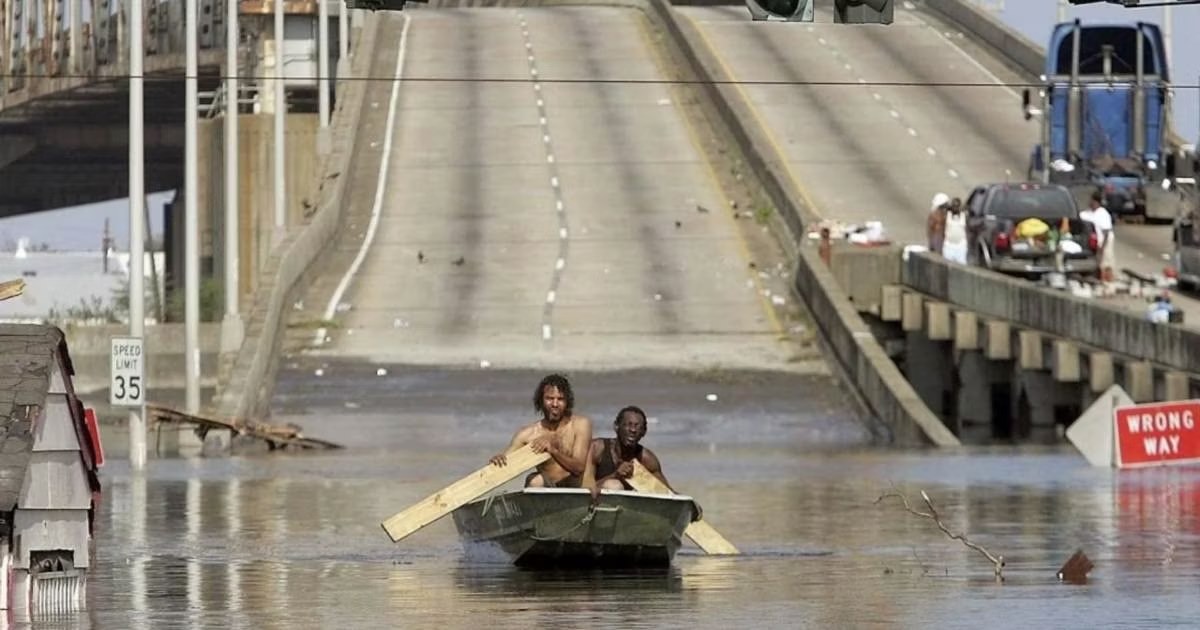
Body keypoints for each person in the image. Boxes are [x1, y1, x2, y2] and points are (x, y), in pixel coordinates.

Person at [587, 406, 702, 521]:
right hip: (593, 509)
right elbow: (583, 488)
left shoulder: (646, 459)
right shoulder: (598, 448)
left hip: (625, 516)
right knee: (613, 485)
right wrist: (615, 475)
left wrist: (688, 503)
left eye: (638, 427)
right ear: (616, 426)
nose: (633, 430)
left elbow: (666, 492)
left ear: (644, 432)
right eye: (628, 425)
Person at [489, 374, 593, 488]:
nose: (555, 404)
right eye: (549, 399)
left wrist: (553, 451)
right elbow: (504, 464)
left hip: (577, 490)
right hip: (549, 492)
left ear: (567, 402)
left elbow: (578, 468)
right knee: (534, 480)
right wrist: (497, 460)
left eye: (560, 399)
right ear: (540, 401)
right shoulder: (527, 435)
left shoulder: (580, 425)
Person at [1083, 191, 1115, 282]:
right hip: (1093, 242)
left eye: (1092, 201)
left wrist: (1102, 247)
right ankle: (1099, 280)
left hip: (1105, 241)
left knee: (1106, 263)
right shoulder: (1087, 213)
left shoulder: (1103, 214)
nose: (1090, 202)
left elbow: (1106, 232)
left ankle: (1108, 281)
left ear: (1096, 202)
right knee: (1097, 263)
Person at [941, 197, 968, 264]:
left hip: (960, 246)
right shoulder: (947, 215)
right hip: (949, 245)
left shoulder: (964, 216)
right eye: (954, 206)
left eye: (957, 206)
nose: (955, 208)